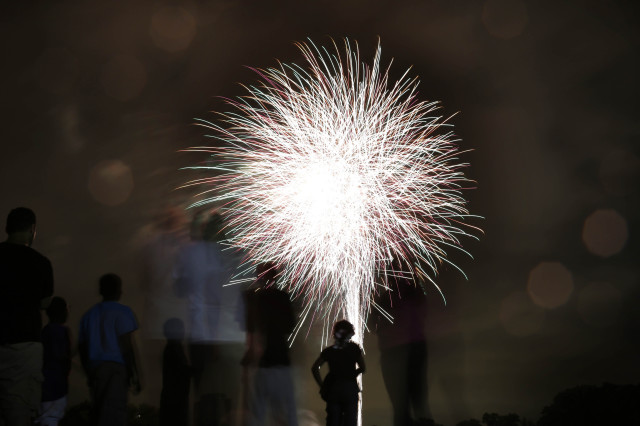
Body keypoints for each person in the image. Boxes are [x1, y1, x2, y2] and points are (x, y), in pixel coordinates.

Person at [174, 211, 245, 426]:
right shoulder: (236, 255)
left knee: (204, 395)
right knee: (229, 397)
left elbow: (179, 289)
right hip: (231, 338)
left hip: (201, 336)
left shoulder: (190, 253)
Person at [0, 207, 54, 426]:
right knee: (20, 408)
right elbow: (43, 301)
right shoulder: (40, 262)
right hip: (24, 345)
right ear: (33, 229)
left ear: (7, 228)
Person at [78, 273, 141, 426]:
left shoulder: (89, 315)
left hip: (96, 368)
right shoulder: (123, 312)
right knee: (116, 412)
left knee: (99, 411)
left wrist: (89, 371)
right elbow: (126, 344)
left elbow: (82, 347)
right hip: (116, 369)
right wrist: (134, 373)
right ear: (118, 290)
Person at [242, 262, 297, 426]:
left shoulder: (254, 299)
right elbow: (290, 327)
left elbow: (251, 333)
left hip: (263, 365)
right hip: (281, 361)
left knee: (258, 413)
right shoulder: (282, 298)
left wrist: (249, 360)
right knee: (286, 413)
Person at [311, 320, 365, 426]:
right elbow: (363, 368)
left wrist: (322, 385)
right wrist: (352, 374)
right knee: (350, 421)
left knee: (333, 420)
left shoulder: (329, 351)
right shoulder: (354, 349)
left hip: (333, 389)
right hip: (350, 388)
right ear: (350, 333)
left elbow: (314, 368)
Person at [38, 297, 72, 426]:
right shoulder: (60, 331)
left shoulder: (45, 331)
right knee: (51, 418)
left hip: (46, 385)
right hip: (56, 387)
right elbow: (60, 355)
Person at [159, 318, 191, 426]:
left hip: (172, 398)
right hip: (176, 400)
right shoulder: (175, 348)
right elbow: (182, 371)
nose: (183, 332)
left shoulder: (171, 348)